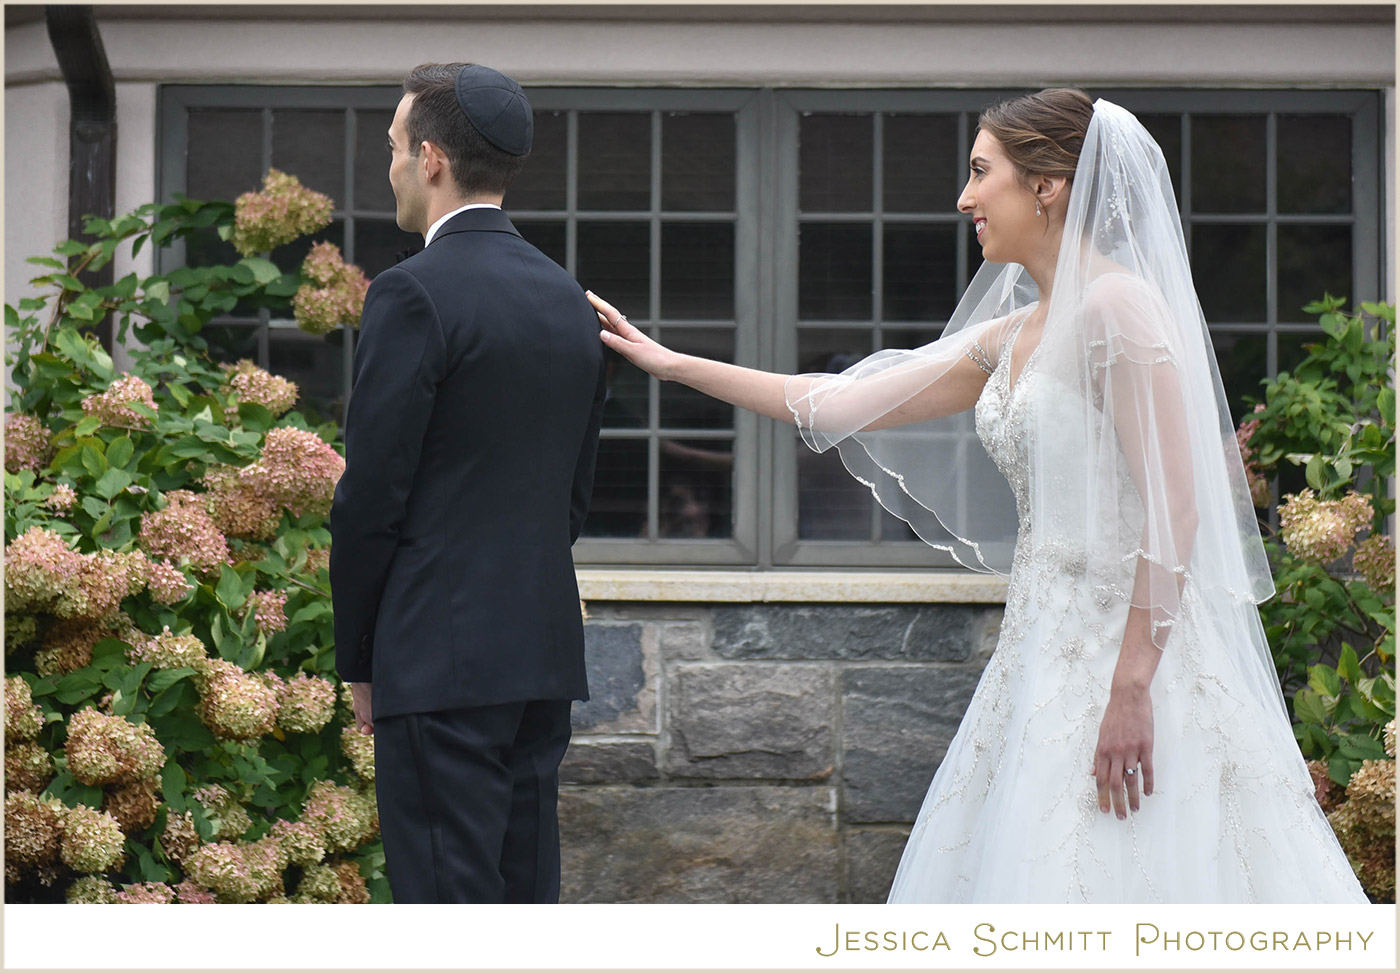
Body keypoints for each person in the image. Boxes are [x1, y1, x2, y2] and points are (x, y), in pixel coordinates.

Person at [587, 89, 1368, 903]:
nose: (963, 198)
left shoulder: (1119, 309)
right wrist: (672, 364)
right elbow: (834, 400)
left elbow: (1177, 508)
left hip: (1135, 663)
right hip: (1037, 657)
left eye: (979, 172)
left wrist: (1132, 686)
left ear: (1047, 185)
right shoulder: (1013, 333)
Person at [330, 62, 606, 903]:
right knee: (522, 903)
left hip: (436, 654)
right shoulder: (569, 298)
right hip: (540, 651)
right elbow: (573, 496)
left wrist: (363, 657)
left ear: (431, 158)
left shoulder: (412, 293)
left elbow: (371, 497)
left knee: (448, 907)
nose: (389, 169)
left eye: (391, 149)